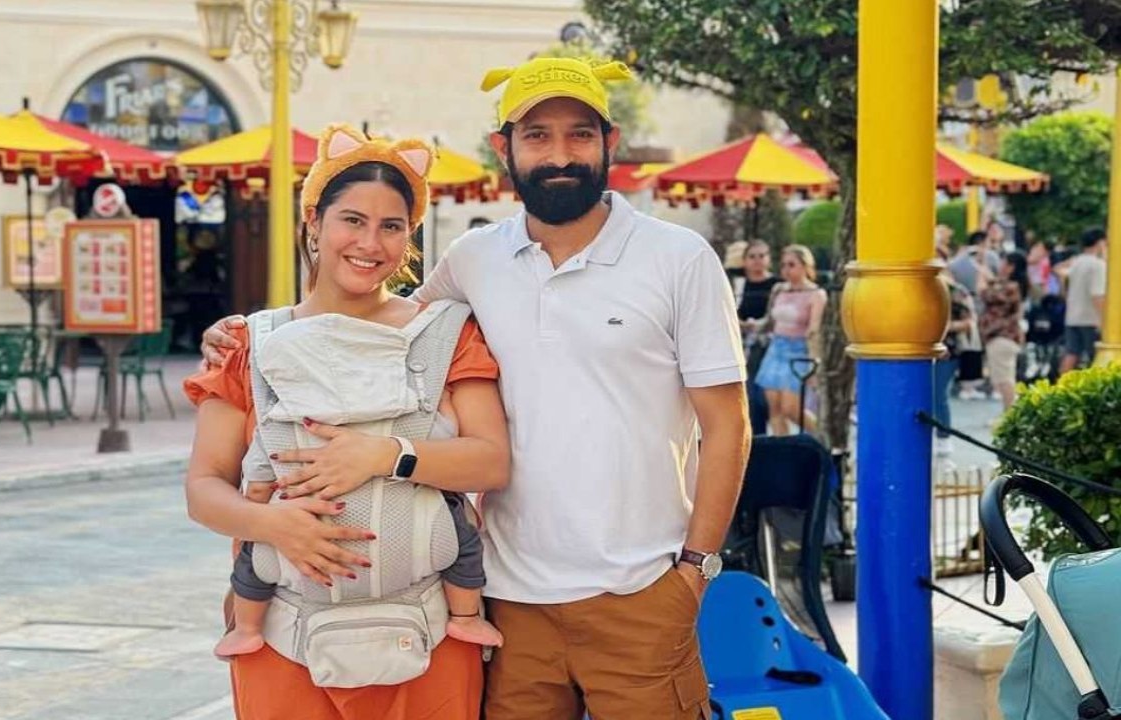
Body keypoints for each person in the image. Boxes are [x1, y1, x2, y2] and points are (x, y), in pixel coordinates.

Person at [202, 56, 748, 720]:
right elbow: (375, 318)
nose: (559, 153)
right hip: (506, 596)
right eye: (537, 135)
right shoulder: (475, 259)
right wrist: (250, 333)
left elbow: (728, 427)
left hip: (638, 589)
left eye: (580, 133)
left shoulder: (678, 258)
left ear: (610, 142)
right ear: (505, 149)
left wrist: (695, 569)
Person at [185, 126, 510, 718]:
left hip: (427, 632)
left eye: (391, 226)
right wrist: (274, 525)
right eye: (352, 220)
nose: (371, 243)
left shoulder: (445, 334)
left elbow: (490, 461)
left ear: (409, 237)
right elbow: (204, 488)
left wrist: (387, 454)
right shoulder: (248, 343)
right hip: (284, 636)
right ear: (313, 223)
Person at [754, 245, 827, 436]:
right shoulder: (779, 290)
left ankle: (822, 438)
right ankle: (783, 453)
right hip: (776, 348)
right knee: (775, 410)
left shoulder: (816, 294)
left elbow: (814, 330)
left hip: (798, 351)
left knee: (791, 408)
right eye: (783, 265)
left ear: (805, 266)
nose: (786, 269)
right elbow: (769, 320)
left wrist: (813, 363)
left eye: (792, 264)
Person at [934, 266, 977, 457]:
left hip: (948, 351)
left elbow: (969, 323)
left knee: (938, 393)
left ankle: (944, 436)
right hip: (924, 351)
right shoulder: (921, 288)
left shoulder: (957, 292)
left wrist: (941, 328)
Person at [979, 251, 1029, 414]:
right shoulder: (1012, 286)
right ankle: (1009, 412)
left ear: (1010, 267)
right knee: (1005, 378)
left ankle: (1009, 415)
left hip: (1001, 336)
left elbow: (985, 294)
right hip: (1004, 337)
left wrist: (981, 275)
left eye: (1003, 262)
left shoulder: (1010, 287)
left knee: (1004, 380)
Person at [1059, 228, 1108, 374]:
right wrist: (1104, 321)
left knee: (1071, 354)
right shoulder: (1098, 265)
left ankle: (1059, 389)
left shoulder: (1076, 262)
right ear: (1099, 243)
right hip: (1091, 319)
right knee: (1097, 358)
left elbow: (1060, 275)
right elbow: (1097, 295)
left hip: (1073, 317)